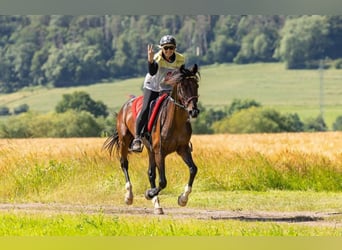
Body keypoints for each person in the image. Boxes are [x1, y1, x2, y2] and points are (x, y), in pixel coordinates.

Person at [131, 35, 185, 152]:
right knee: (146, 108)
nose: (168, 51)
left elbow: (180, 74)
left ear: (175, 48)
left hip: (167, 87)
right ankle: (137, 138)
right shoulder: (158, 57)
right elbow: (152, 71)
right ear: (161, 49)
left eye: (171, 48)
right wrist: (150, 60)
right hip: (153, 85)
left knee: (180, 107)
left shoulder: (180, 59)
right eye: (165, 48)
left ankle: (183, 139)